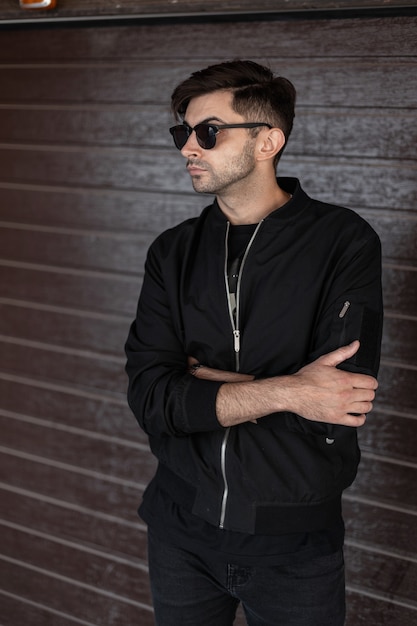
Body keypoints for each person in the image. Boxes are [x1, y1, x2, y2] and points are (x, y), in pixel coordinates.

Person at [125, 60, 383, 626]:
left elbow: (337, 403)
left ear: (268, 140)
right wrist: (290, 388)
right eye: (183, 133)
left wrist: (203, 381)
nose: (188, 147)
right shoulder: (173, 252)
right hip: (180, 532)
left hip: (293, 549)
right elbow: (151, 399)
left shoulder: (342, 241)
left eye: (208, 131)